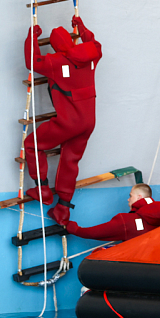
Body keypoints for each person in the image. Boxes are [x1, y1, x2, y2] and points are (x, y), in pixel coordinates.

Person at [23, 16, 102, 207]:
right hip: (89, 122)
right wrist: (81, 27)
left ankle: (42, 189)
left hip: (69, 123)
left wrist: (31, 37)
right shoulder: (93, 56)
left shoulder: (55, 62)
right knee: (70, 160)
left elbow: (32, 62)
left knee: (32, 144)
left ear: (56, 46)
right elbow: (92, 42)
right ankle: (63, 208)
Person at [48, 183, 160, 242]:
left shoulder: (127, 221)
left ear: (139, 197)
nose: (128, 199)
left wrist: (71, 226)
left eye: (130, 196)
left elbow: (93, 233)